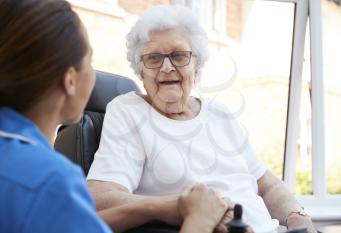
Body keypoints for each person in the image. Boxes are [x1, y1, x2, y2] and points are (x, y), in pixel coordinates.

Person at [0, 1, 230, 233]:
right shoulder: (49, 182)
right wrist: (200, 218)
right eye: (90, 60)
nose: (167, 68)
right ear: (70, 81)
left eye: (179, 56)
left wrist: (159, 207)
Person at [86, 5, 318, 233]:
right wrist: (182, 208)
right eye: (154, 58)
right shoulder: (129, 111)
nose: (166, 67)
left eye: (178, 56)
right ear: (140, 71)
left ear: (197, 65)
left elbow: (267, 184)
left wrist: (297, 216)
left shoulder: (220, 113)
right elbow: (101, 197)